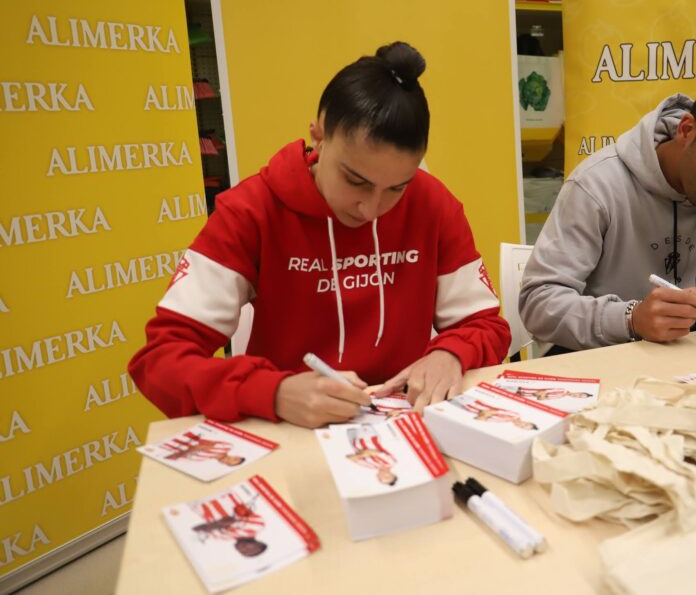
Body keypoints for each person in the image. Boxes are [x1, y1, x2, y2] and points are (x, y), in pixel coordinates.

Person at [129, 42, 511, 427]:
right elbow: (160, 362)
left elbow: (485, 326)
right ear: (319, 135)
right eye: (355, 180)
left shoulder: (433, 205)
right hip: (289, 430)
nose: (371, 209)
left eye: (397, 188)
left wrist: (451, 354)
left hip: (406, 426)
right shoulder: (251, 211)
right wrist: (273, 392)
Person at [519, 72, 696, 352]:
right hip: (599, 357)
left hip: (688, 355)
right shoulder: (597, 185)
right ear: (687, 130)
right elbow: (539, 305)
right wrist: (630, 320)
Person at [191, 493, 268, 558]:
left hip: (195, 504)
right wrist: (212, 526)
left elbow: (196, 529)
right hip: (218, 495)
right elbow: (229, 520)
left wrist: (219, 524)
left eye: (243, 553)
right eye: (251, 550)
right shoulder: (257, 527)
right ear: (259, 544)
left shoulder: (222, 538)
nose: (244, 550)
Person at [161, 431, 245, 467]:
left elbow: (174, 457)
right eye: (239, 458)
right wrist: (190, 450)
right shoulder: (228, 447)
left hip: (168, 446)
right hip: (184, 435)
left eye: (236, 461)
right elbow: (201, 444)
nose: (238, 458)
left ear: (224, 464)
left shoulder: (199, 460)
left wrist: (180, 454)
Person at [451, 396, 538, 430]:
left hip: (465, 409)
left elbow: (478, 419)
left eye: (522, 427)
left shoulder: (502, 421)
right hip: (471, 402)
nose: (521, 425)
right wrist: (486, 415)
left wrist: (485, 416)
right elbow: (487, 412)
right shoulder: (515, 415)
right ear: (528, 421)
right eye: (525, 424)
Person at [514, 386, 590, 401]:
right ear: (579, 392)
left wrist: (544, 396)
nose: (577, 396)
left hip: (523, 395)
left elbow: (540, 398)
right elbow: (542, 393)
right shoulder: (562, 390)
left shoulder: (560, 397)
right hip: (522, 389)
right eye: (580, 394)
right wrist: (544, 395)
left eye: (579, 397)